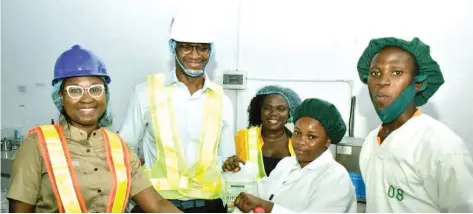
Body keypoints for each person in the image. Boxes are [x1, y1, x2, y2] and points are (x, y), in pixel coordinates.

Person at [6, 45, 181, 213]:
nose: (87, 99)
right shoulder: (37, 146)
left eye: (95, 89)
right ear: (60, 95)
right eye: (75, 91)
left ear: (106, 93)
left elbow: (157, 205)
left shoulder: (120, 147)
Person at [119, 8, 234, 213]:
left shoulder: (222, 100)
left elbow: (225, 159)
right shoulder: (145, 93)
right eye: (186, 47)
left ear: (211, 50)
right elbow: (126, 153)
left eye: (202, 48)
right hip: (155, 205)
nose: (195, 55)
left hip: (209, 206)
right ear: (173, 47)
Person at [357, 37, 473, 212]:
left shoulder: (442, 147)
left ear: (418, 83)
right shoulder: (370, 142)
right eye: (375, 73)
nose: (382, 81)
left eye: (396, 72)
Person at [226, 98, 357, 213]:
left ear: (327, 141)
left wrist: (268, 208)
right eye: (297, 133)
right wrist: (241, 170)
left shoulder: (335, 178)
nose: (300, 142)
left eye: (311, 137)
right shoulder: (286, 164)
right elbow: (261, 191)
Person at [223, 85, 301, 178]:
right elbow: (227, 168)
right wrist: (232, 165)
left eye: (281, 109)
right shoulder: (243, 137)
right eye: (267, 108)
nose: (273, 113)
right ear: (260, 110)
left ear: (289, 113)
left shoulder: (298, 142)